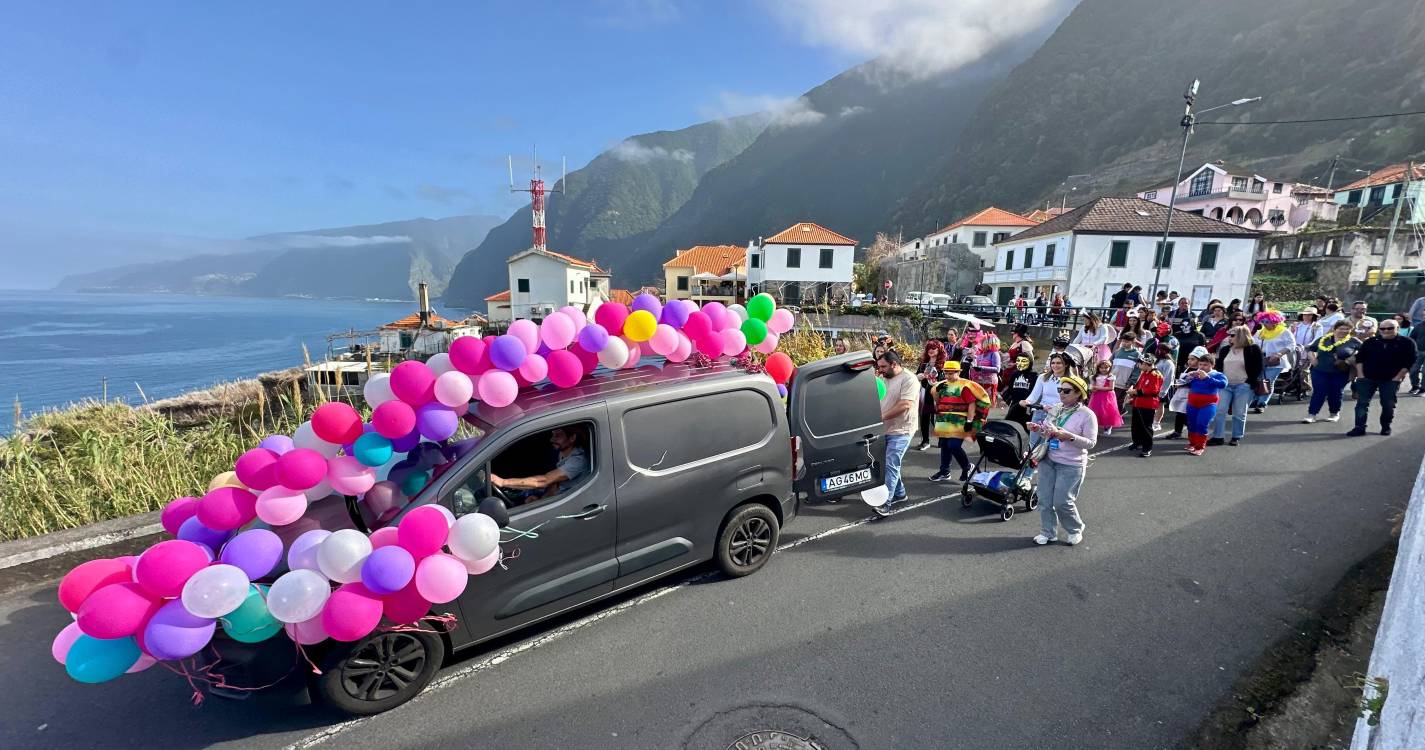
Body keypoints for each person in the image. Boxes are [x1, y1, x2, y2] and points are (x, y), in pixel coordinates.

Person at [1027, 375, 1097, 546]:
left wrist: (1069, 437)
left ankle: (1075, 529)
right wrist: (1039, 429)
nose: (1061, 394)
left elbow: (1091, 443)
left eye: (1067, 391)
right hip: (1048, 458)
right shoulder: (1056, 408)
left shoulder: (1087, 415)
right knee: (1044, 499)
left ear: (1079, 394)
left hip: (1071, 464)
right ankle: (1048, 532)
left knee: (1062, 502)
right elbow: (1048, 432)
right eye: (1060, 390)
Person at [1348, 318, 1417, 436]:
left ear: (1397, 328)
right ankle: (1359, 427)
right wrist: (1360, 375)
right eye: (1383, 328)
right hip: (1367, 378)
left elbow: (1410, 361)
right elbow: (1360, 359)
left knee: (1388, 405)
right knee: (1362, 403)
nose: (1386, 331)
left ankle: (1386, 426)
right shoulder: (1370, 341)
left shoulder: (1407, 342)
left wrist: (1398, 377)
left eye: (1390, 328)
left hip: (1391, 379)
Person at [491, 426, 590, 504]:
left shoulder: (577, 461)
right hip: (553, 498)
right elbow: (554, 485)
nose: (552, 439)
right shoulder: (562, 452)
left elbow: (543, 481)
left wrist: (503, 482)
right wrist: (541, 499)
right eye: (553, 435)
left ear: (572, 438)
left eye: (558, 436)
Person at [927, 361, 991, 483]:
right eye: (946, 373)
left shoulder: (964, 386)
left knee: (953, 445)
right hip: (944, 419)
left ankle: (967, 467)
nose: (948, 376)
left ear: (959, 372)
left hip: (959, 420)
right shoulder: (942, 385)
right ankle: (944, 471)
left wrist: (969, 421)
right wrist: (936, 391)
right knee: (945, 445)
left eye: (951, 373)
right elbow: (938, 401)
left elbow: (971, 404)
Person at [875, 350, 919, 516]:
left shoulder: (909, 379)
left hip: (902, 429)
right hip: (885, 428)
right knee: (890, 464)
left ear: (894, 364)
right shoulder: (884, 378)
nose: (880, 370)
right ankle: (900, 494)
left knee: (890, 464)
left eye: (883, 366)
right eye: (878, 366)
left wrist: (880, 417)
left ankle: (885, 503)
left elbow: (905, 405)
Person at [1210, 326, 1263, 446]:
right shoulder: (1225, 350)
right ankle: (1218, 436)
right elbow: (1219, 367)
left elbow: (1258, 367)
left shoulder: (1253, 349)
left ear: (1241, 335)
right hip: (1225, 385)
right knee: (1220, 411)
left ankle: (1236, 436)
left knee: (1239, 412)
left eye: (1233, 335)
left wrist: (1249, 382)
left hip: (1243, 385)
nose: (1229, 337)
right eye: (1229, 335)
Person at [1303, 320, 1360, 424]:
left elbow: (1365, 351)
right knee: (1319, 391)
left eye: (1347, 329)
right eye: (1341, 328)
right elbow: (1310, 349)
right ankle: (1312, 414)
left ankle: (1334, 413)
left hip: (1340, 372)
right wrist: (1312, 358)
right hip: (1320, 370)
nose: (1344, 331)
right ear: (1334, 329)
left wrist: (1351, 359)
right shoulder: (1324, 339)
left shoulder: (1353, 341)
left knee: (1336, 392)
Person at [1183, 348, 1229, 455]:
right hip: (1192, 403)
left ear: (1212, 365)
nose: (1202, 367)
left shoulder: (1217, 374)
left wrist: (1207, 378)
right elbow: (1186, 384)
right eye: (1200, 364)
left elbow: (1223, 384)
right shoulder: (1196, 374)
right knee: (1191, 424)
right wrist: (1187, 377)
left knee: (1201, 424)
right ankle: (1192, 444)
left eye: (1205, 365)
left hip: (1208, 404)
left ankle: (1200, 446)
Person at [1252, 310, 1294, 413]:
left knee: (1268, 381)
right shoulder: (1260, 332)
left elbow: (1291, 345)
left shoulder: (1284, 332)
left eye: (1268, 321)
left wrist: (1279, 354)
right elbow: (1253, 343)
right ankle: (1257, 399)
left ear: (1275, 321)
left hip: (1276, 361)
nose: (1265, 324)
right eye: (1264, 321)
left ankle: (1262, 403)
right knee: (1259, 380)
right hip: (1261, 360)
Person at [1126, 353, 1164, 457]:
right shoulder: (1144, 373)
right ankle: (1137, 442)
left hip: (1148, 404)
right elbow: (1139, 385)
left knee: (1146, 427)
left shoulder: (1155, 375)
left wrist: (1134, 392)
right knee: (1136, 424)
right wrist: (1133, 395)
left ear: (1146, 364)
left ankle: (1147, 448)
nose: (1138, 365)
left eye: (1140, 363)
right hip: (1138, 402)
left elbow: (1153, 391)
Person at [915, 339, 948, 451]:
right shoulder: (924, 363)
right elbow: (916, 376)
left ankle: (942, 439)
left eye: (934, 348)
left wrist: (938, 382)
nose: (931, 350)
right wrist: (918, 377)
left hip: (939, 394)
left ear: (939, 350)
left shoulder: (944, 364)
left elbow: (948, 380)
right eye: (929, 348)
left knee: (938, 418)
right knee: (924, 417)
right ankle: (925, 441)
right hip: (925, 392)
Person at [1166, 351, 1201, 440]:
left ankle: (1194, 431)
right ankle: (1177, 431)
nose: (1189, 361)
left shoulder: (1199, 371)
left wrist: (1183, 384)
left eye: (1192, 359)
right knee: (1179, 413)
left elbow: (1195, 384)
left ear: (1199, 360)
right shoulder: (1186, 369)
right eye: (1189, 359)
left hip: (1190, 395)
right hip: (1181, 393)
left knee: (1187, 415)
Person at [965, 325, 1002, 407]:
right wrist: (971, 361)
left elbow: (997, 369)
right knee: (978, 404)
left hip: (989, 383)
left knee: (987, 404)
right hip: (979, 382)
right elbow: (976, 364)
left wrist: (981, 368)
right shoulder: (981, 353)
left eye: (982, 342)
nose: (980, 343)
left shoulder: (994, 354)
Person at [1086, 359, 1123, 435]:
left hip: (1107, 396)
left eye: (1106, 368)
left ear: (1110, 368)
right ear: (1098, 368)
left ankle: (1108, 426)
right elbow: (1092, 386)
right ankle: (1093, 427)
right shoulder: (1094, 376)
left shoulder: (1111, 376)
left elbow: (1111, 388)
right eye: (1101, 368)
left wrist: (1098, 388)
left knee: (1107, 411)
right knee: (1096, 411)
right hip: (1096, 396)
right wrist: (1092, 388)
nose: (1103, 369)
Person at [1109, 331, 1143, 412]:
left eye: (1127, 342)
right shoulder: (1117, 351)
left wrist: (1131, 383)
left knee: (1119, 404)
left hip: (1124, 385)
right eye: (1123, 341)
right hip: (1112, 383)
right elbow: (1109, 364)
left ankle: (1117, 420)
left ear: (1133, 342)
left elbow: (1137, 371)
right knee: (1111, 403)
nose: (1124, 343)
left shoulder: (1137, 355)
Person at [1001, 355, 1038, 426]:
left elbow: (1035, 393)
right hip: (1015, 405)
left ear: (1030, 362)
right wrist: (1006, 400)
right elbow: (1010, 389)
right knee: (1009, 425)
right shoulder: (1015, 374)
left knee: (1026, 426)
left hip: (1027, 407)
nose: (1020, 363)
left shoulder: (1034, 376)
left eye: (1023, 361)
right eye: (1018, 360)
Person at [1001, 324, 1034, 394]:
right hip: (1008, 371)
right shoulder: (1014, 343)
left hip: (1018, 372)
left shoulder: (1024, 343)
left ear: (1018, 334)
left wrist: (1015, 364)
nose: (1012, 334)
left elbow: (1030, 360)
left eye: (1014, 332)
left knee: (1011, 392)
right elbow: (1009, 356)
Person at [1151, 343, 1176, 431]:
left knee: (1159, 405)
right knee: (1152, 404)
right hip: (1154, 387)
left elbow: (1168, 378)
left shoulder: (1168, 363)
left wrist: (1162, 391)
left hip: (1163, 388)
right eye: (1158, 348)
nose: (1158, 351)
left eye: (1161, 349)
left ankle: (1156, 423)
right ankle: (1152, 420)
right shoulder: (1156, 360)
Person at [1410, 316, 1425, 395]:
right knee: (1413, 371)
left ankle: (1423, 389)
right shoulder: (1419, 326)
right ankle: (1415, 386)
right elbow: (1412, 338)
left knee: (1424, 371)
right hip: (1419, 351)